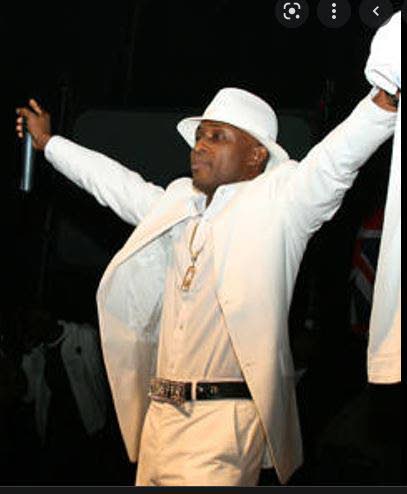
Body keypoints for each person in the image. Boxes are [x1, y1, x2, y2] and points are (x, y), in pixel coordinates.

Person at [15, 81, 397, 486]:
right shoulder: (180, 205)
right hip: (160, 420)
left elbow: (335, 160)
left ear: (256, 154)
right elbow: (116, 185)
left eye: (217, 136)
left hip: (222, 424)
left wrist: (383, 103)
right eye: (199, 136)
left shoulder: (281, 204)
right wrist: (50, 144)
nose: (200, 145)